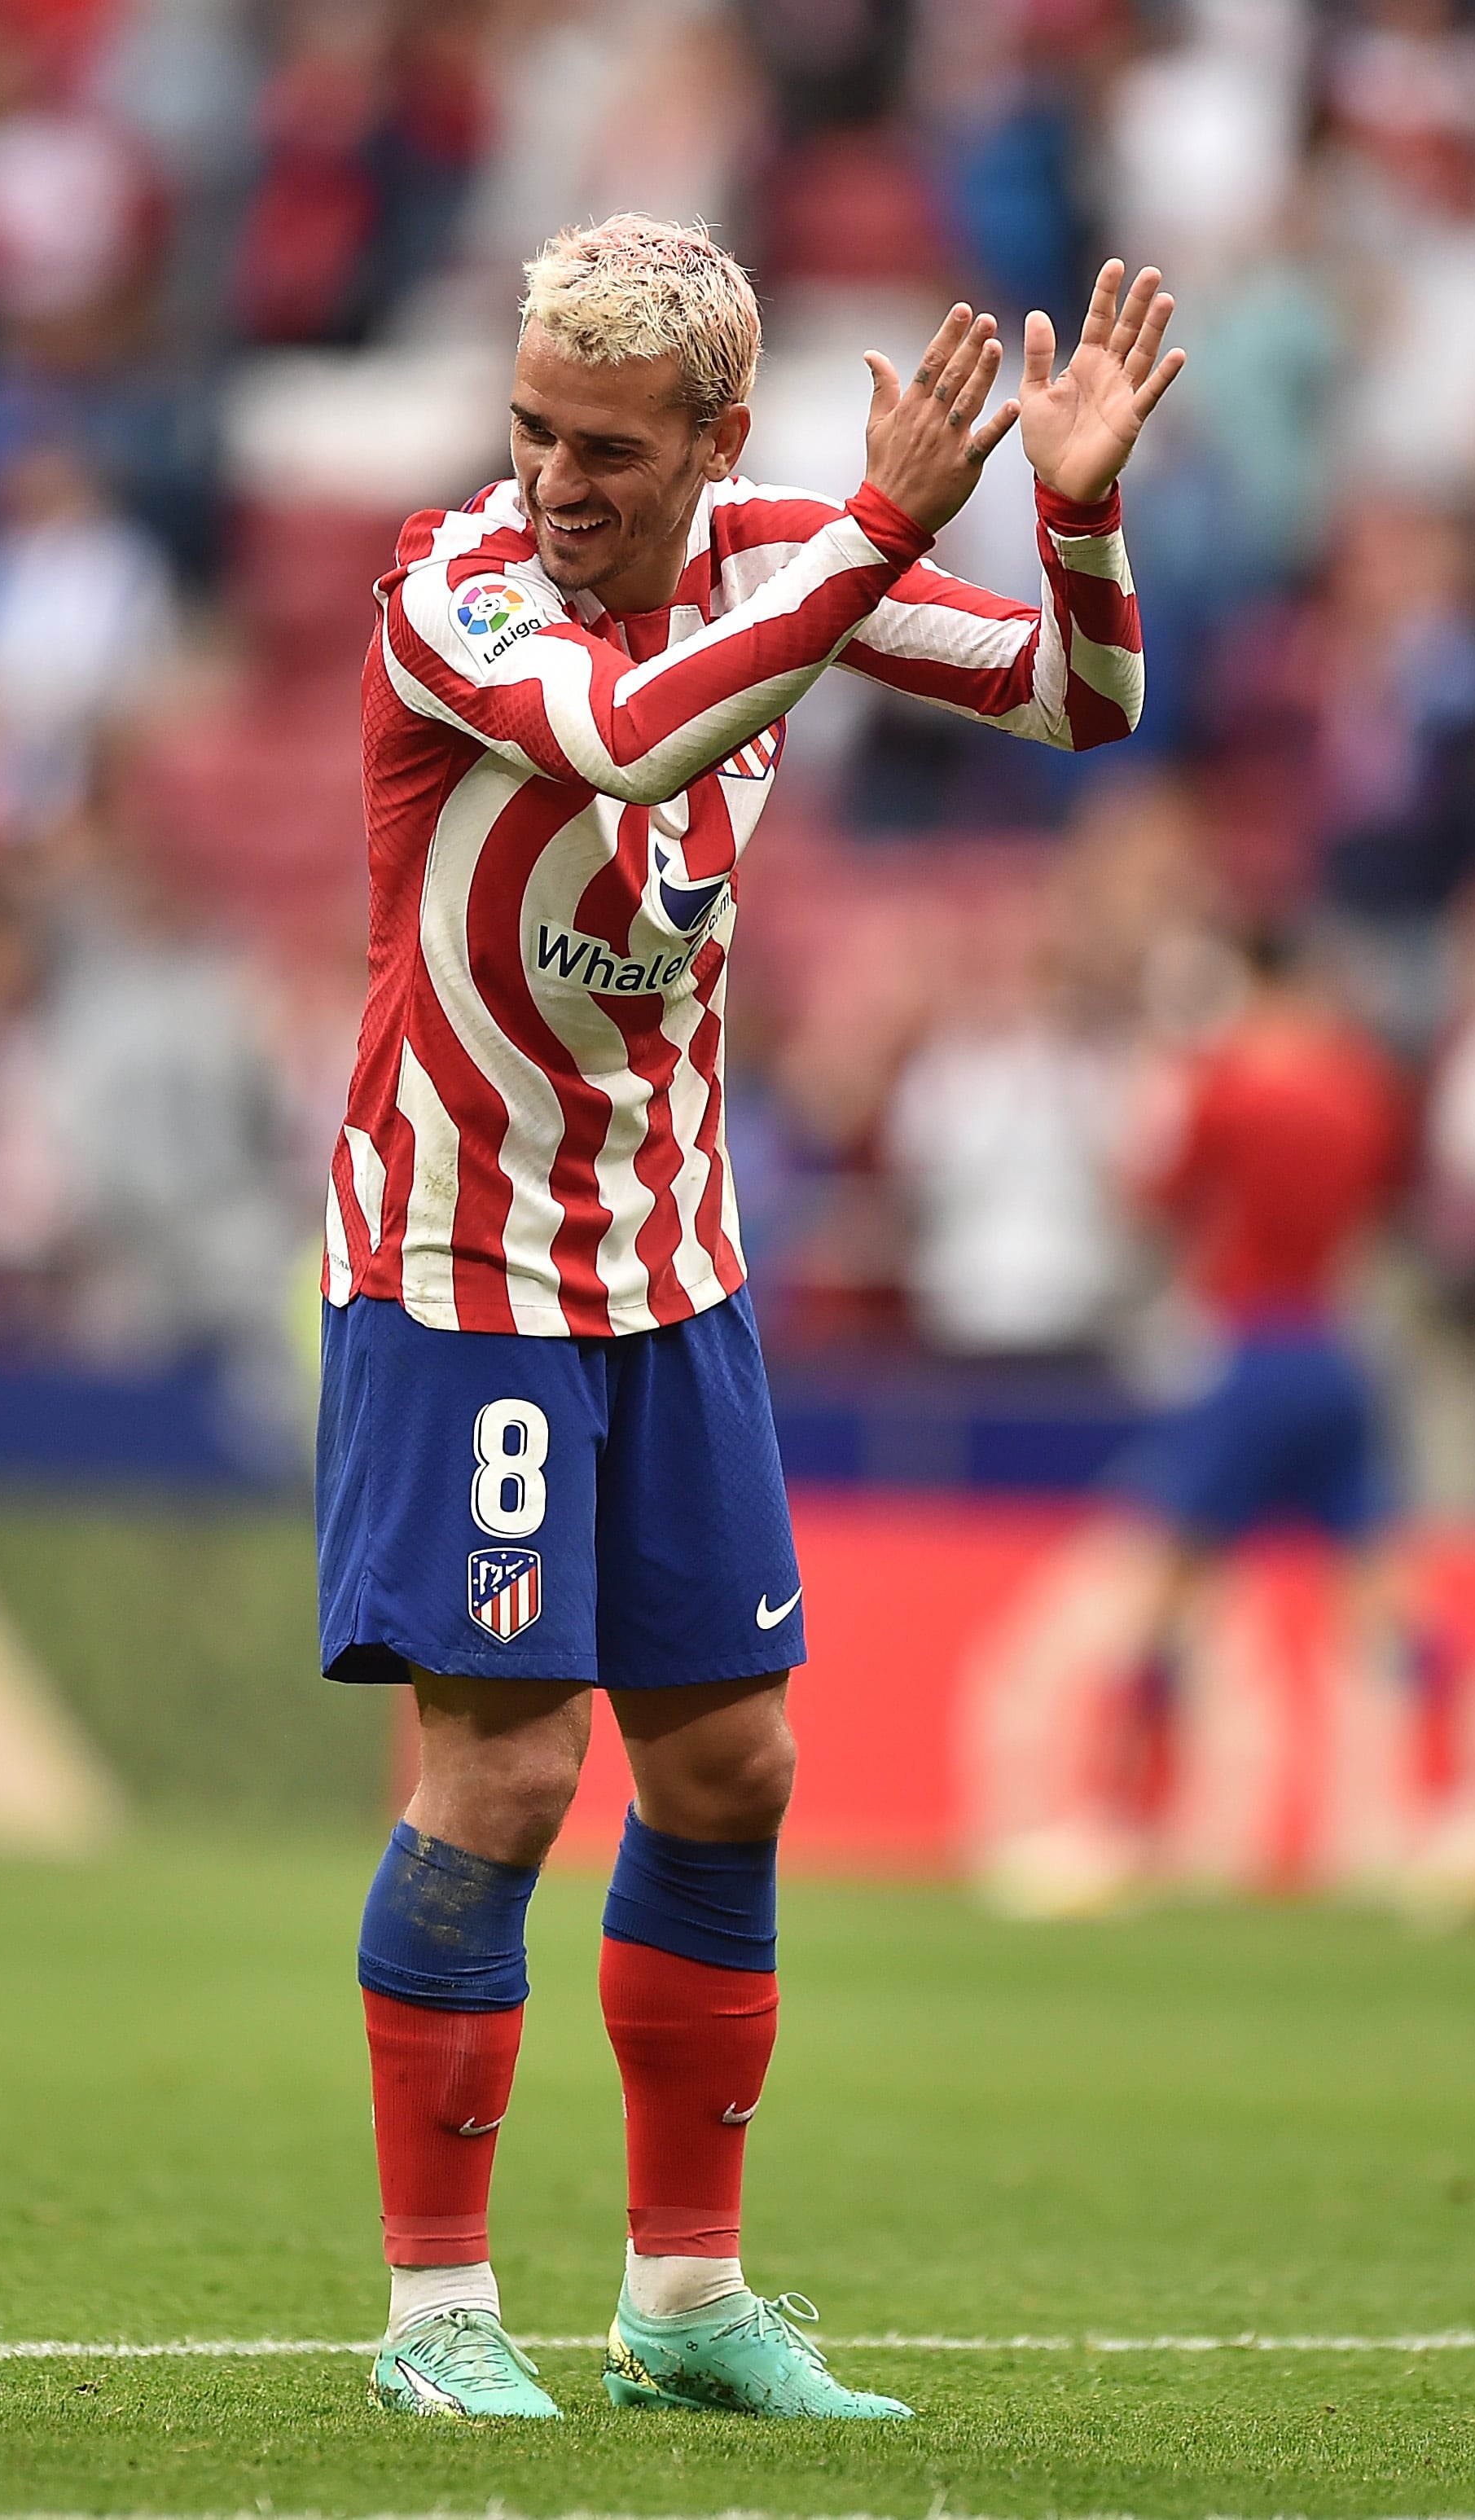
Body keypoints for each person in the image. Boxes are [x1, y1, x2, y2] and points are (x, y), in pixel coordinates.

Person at [317, 212, 1178, 2422]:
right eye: (530, 425)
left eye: (606, 442)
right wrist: (890, 523)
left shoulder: (781, 550)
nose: (553, 477)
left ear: (715, 442)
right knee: (504, 1764)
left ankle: (684, 2296)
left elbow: (1081, 695)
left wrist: (1063, 509)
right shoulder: (453, 588)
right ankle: (434, 2317)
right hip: (462, 1268)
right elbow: (615, 743)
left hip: (670, 1269)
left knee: (729, 1761)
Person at [1015, 928, 1412, 1916]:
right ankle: (1454, 1808)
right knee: (1375, 1594)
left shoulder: (1225, 1086)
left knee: (1163, 1592)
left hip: (1248, 1350)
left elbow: (1154, 1199)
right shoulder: (1361, 1087)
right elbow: (1386, 1205)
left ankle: (1119, 1825)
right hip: (1337, 1343)